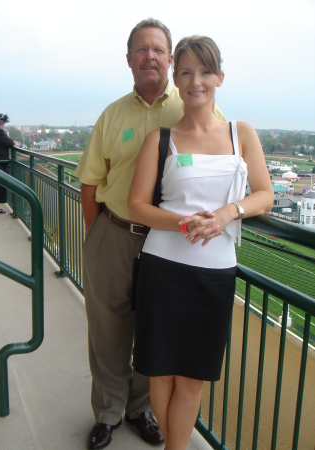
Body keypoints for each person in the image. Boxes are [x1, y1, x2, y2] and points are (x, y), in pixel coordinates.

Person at [74, 19, 225, 450]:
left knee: (152, 330)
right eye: (141, 49)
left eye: (158, 49)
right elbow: (89, 183)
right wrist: (99, 235)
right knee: (107, 330)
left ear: (171, 58)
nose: (150, 56)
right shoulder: (113, 114)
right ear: (129, 59)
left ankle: (139, 408)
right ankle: (107, 412)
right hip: (116, 232)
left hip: (170, 243)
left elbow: (225, 154)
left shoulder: (194, 105)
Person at [127, 35, 274, 450]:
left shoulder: (240, 133)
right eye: (187, 72)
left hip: (213, 276)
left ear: (220, 78)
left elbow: (265, 194)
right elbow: (136, 206)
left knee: (193, 377)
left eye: (205, 72)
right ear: (176, 78)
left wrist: (228, 213)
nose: (196, 81)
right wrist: (184, 223)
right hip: (162, 269)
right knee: (161, 372)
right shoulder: (161, 138)